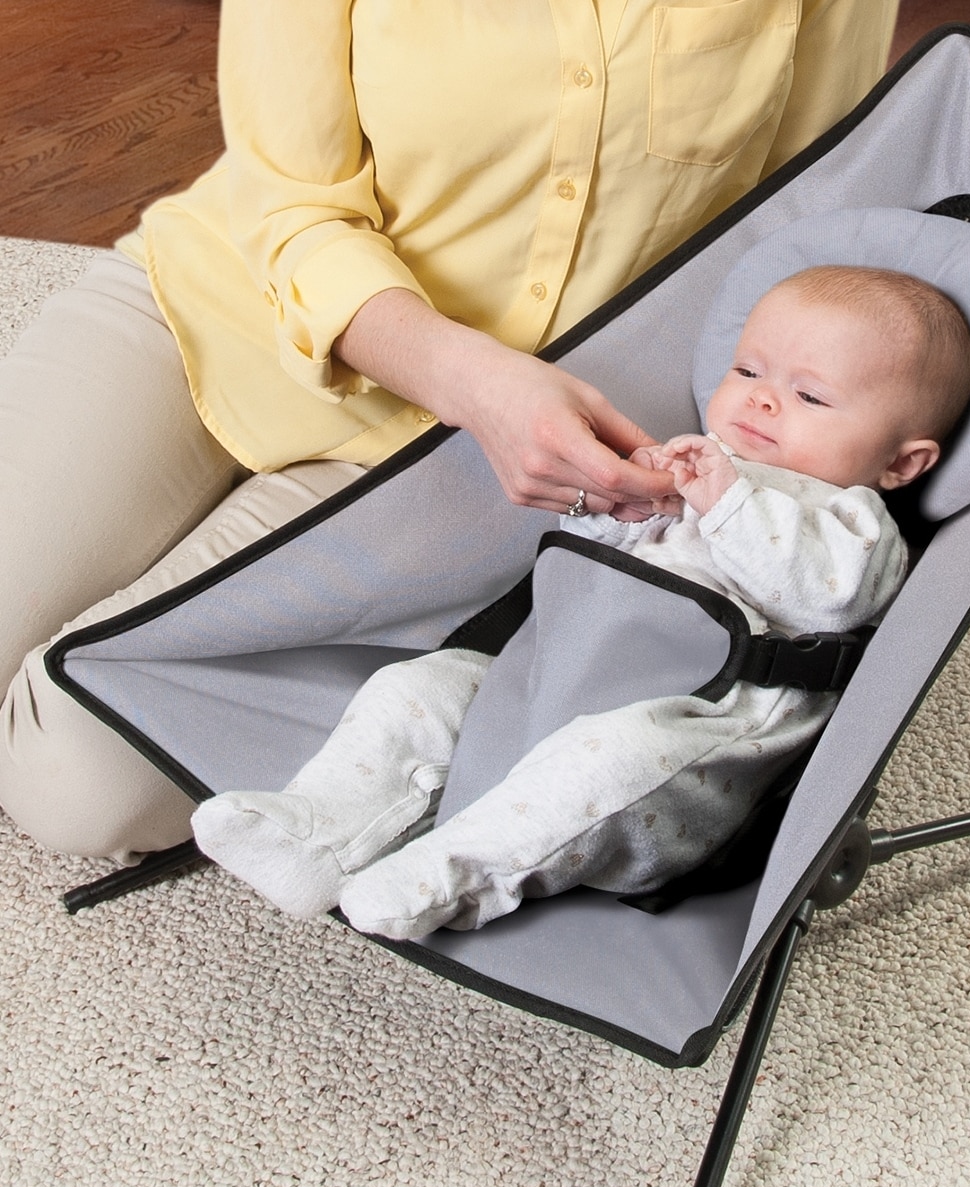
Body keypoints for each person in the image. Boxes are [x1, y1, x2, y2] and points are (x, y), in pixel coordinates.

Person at [0, 1, 898, 865]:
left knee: (75, 778)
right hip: (217, 311)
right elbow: (288, 203)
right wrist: (477, 384)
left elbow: (797, 221)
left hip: (454, 468)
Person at [190, 265, 970, 940]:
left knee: (605, 763)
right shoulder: (698, 466)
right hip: (555, 679)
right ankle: (319, 829)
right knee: (417, 688)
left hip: (692, 735)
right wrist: (617, 504)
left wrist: (726, 500)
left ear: (901, 463)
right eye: (747, 373)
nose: (761, 402)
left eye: (808, 395)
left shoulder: (853, 522)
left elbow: (826, 598)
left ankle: (453, 876)